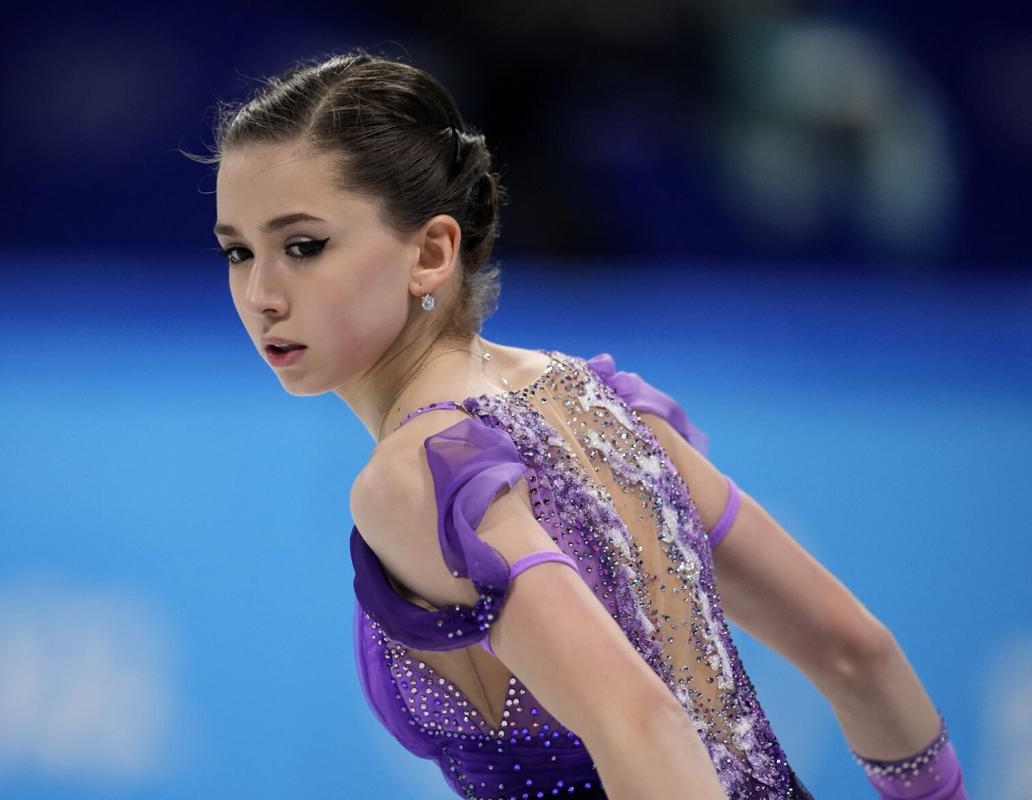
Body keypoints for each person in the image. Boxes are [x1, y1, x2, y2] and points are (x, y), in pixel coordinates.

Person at [188, 48, 969, 800]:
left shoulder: (417, 472)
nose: (261, 295)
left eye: (303, 246)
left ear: (431, 252)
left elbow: (643, 724)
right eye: (237, 254)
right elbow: (856, 653)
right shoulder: (599, 401)